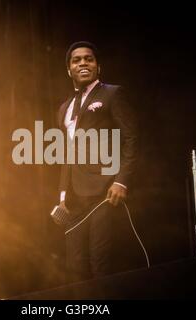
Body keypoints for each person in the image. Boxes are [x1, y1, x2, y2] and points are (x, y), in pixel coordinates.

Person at [56, 41, 138, 282]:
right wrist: (62, 195)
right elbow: (66, 154)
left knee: (100, 262)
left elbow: (131, 138)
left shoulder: (112, 93)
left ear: (98, 67)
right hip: (73, 199)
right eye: (76, 60)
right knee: (74, 266)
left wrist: (121, 181)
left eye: (89, 59)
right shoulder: (64, 108)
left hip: (103, 191)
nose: (83, 63)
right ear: (68, 69)